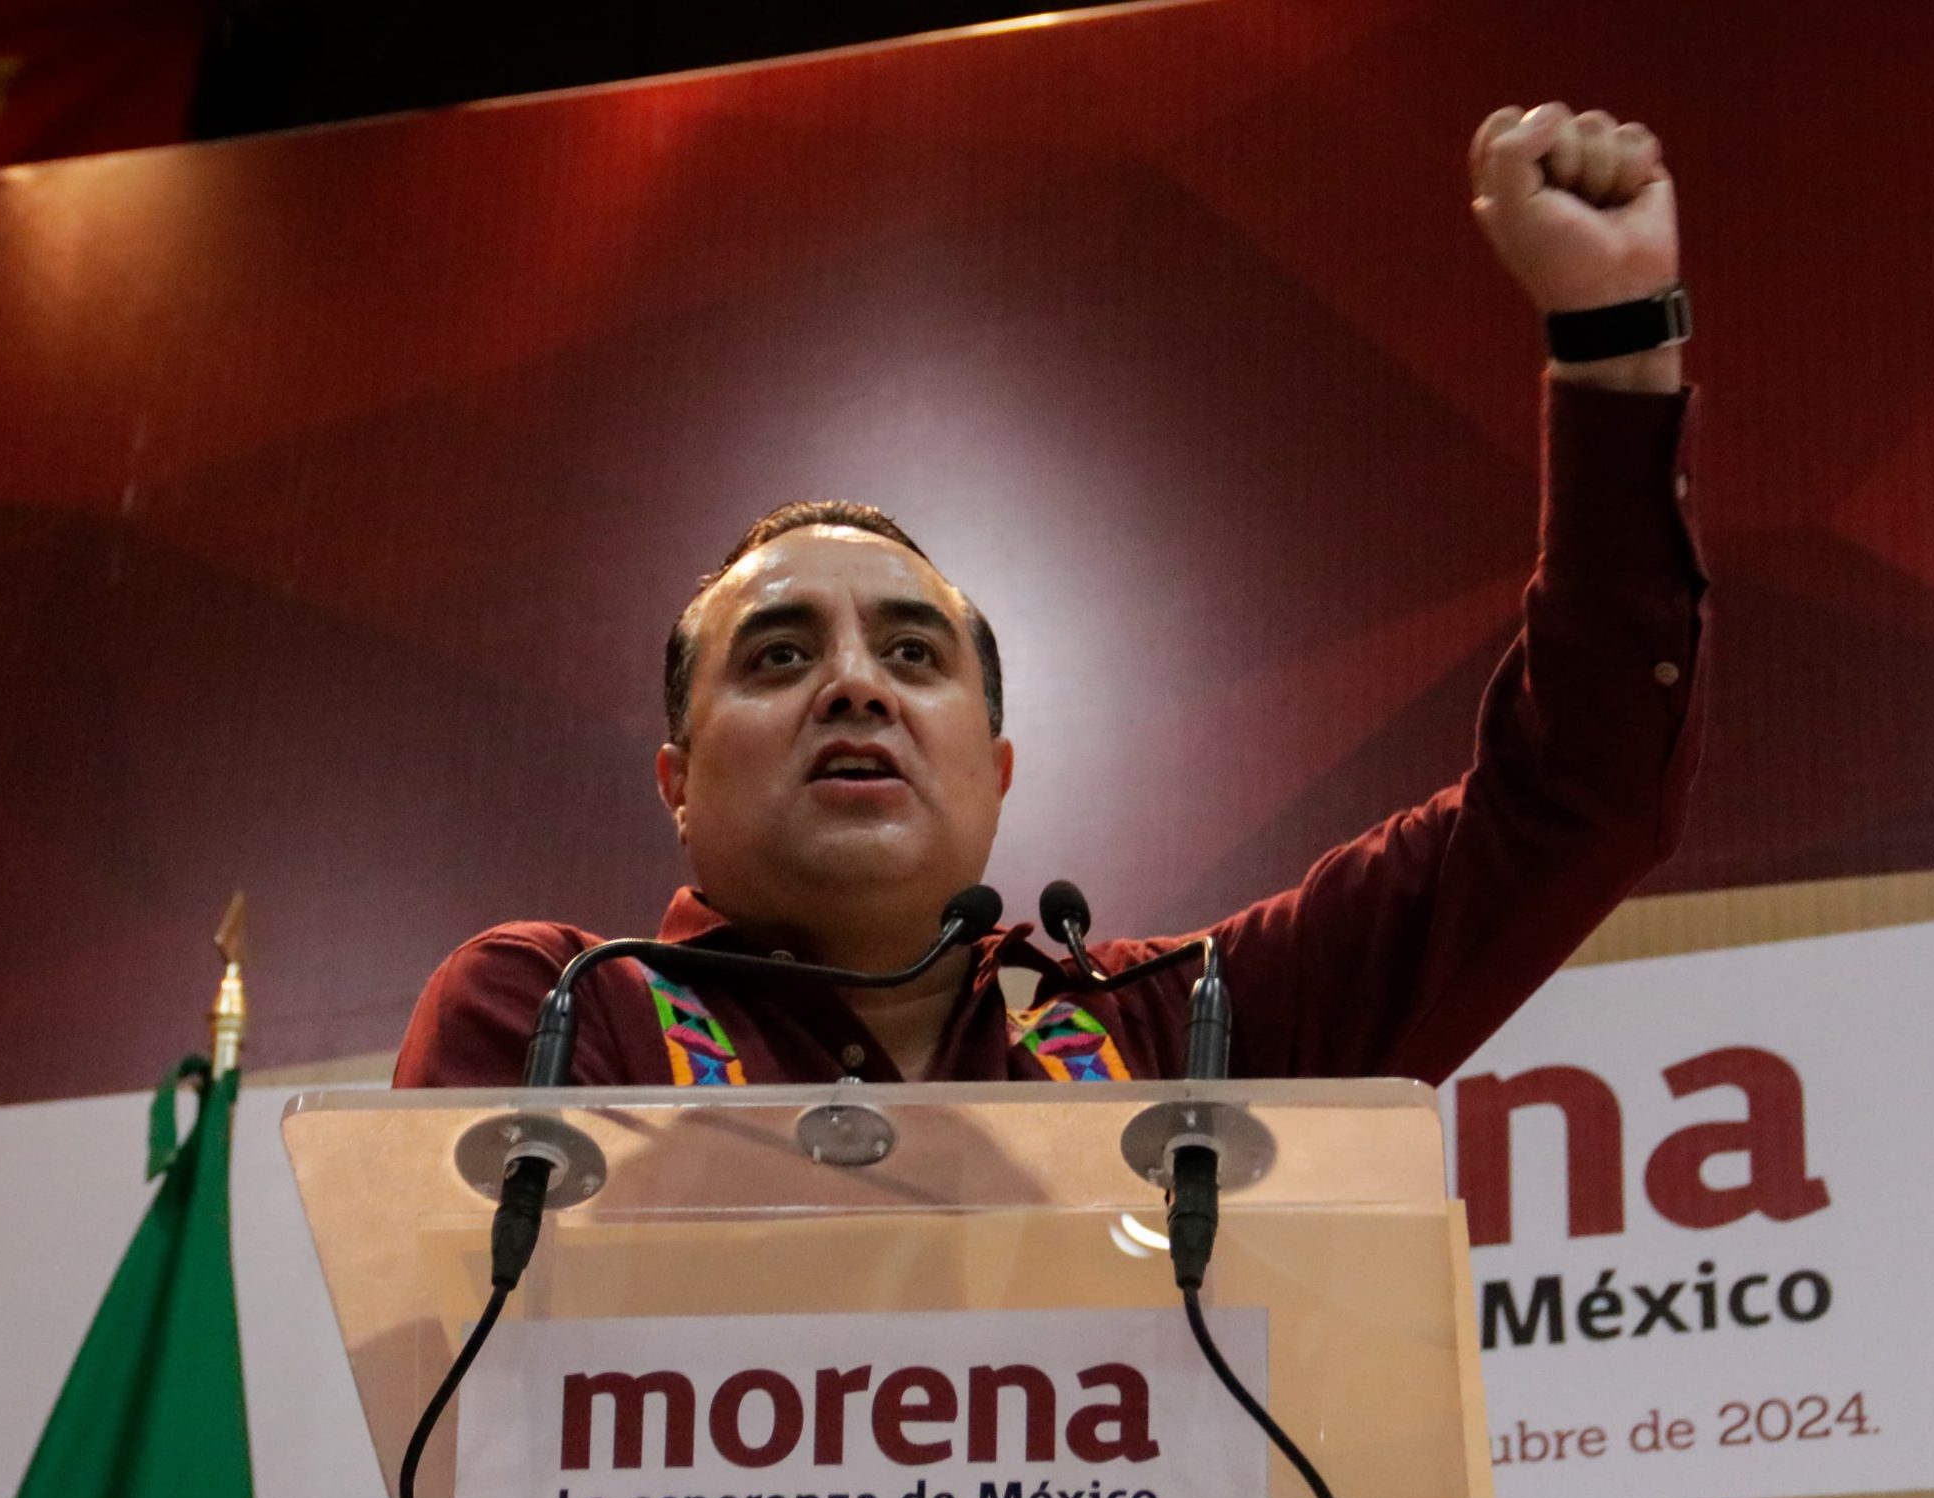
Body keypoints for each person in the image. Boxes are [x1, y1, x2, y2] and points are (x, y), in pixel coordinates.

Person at [398, 101, 1704, 1103]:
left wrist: (1614, 340)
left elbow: (1578, 801)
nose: (855, 685)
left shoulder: (1181, 1030)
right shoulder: (559, 1010)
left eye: (915, 655)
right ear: (677, 781)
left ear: (998, 767)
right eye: (779, 655)